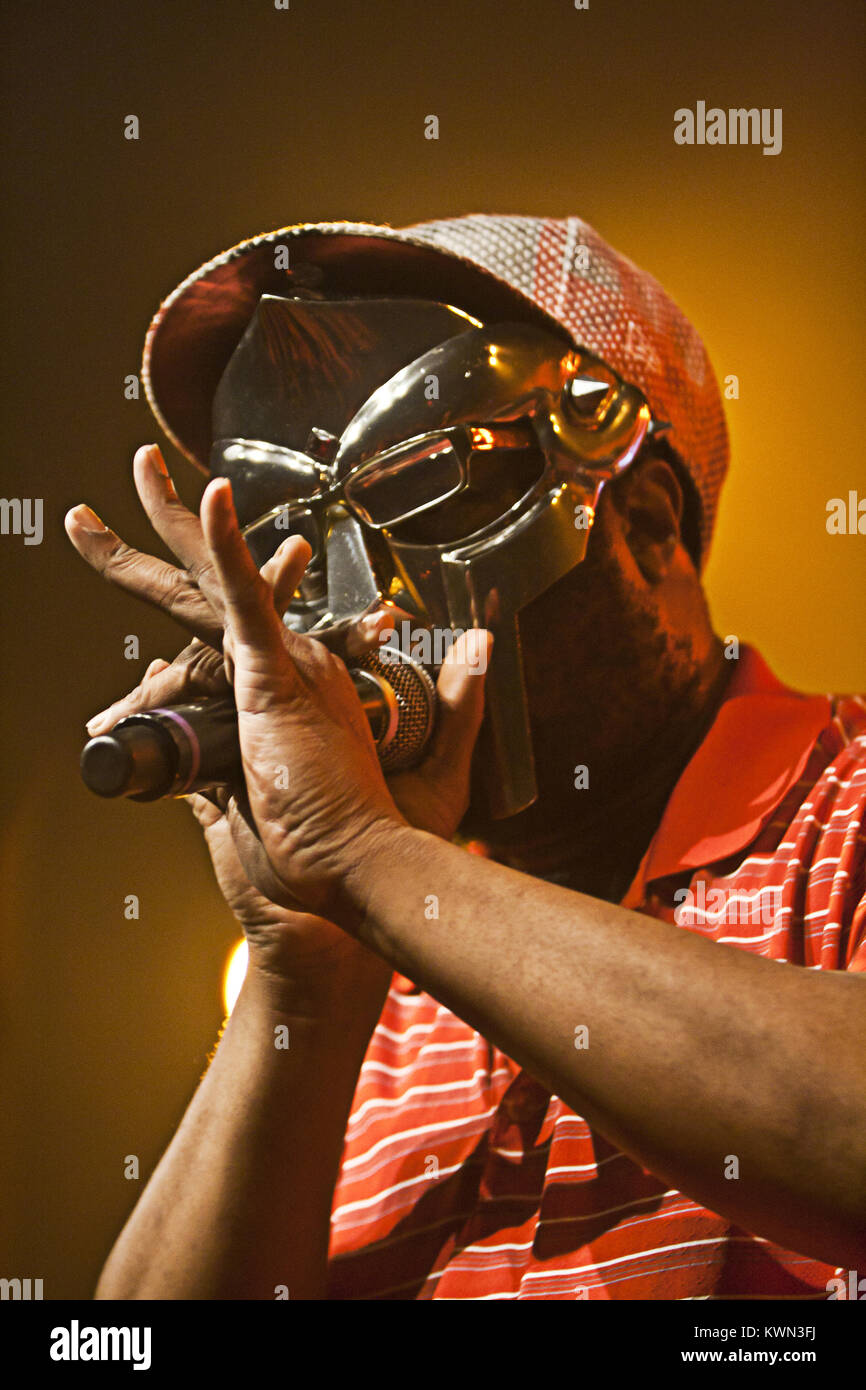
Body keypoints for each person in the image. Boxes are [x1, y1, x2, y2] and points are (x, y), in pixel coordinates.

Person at [65, 214, 866, 1300]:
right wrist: (307, 978)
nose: (358, 603)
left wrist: (366, 856)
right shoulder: (374, 976)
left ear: (643, 516)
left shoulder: (845, 794)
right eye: (280, 547)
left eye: (423, 488)